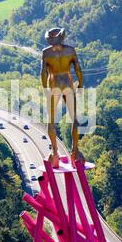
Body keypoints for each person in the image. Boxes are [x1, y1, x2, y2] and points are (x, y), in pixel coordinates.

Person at [41, 27, 85, 168]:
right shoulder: (70, 51)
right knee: (74, 118)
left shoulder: (46, 53)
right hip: (67, 84)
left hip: (54, 85)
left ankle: (55, 153)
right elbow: (78, 68)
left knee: (51, 121)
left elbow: (43, 73)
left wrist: (45, 88)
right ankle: (75, 150)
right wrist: (81, 83)